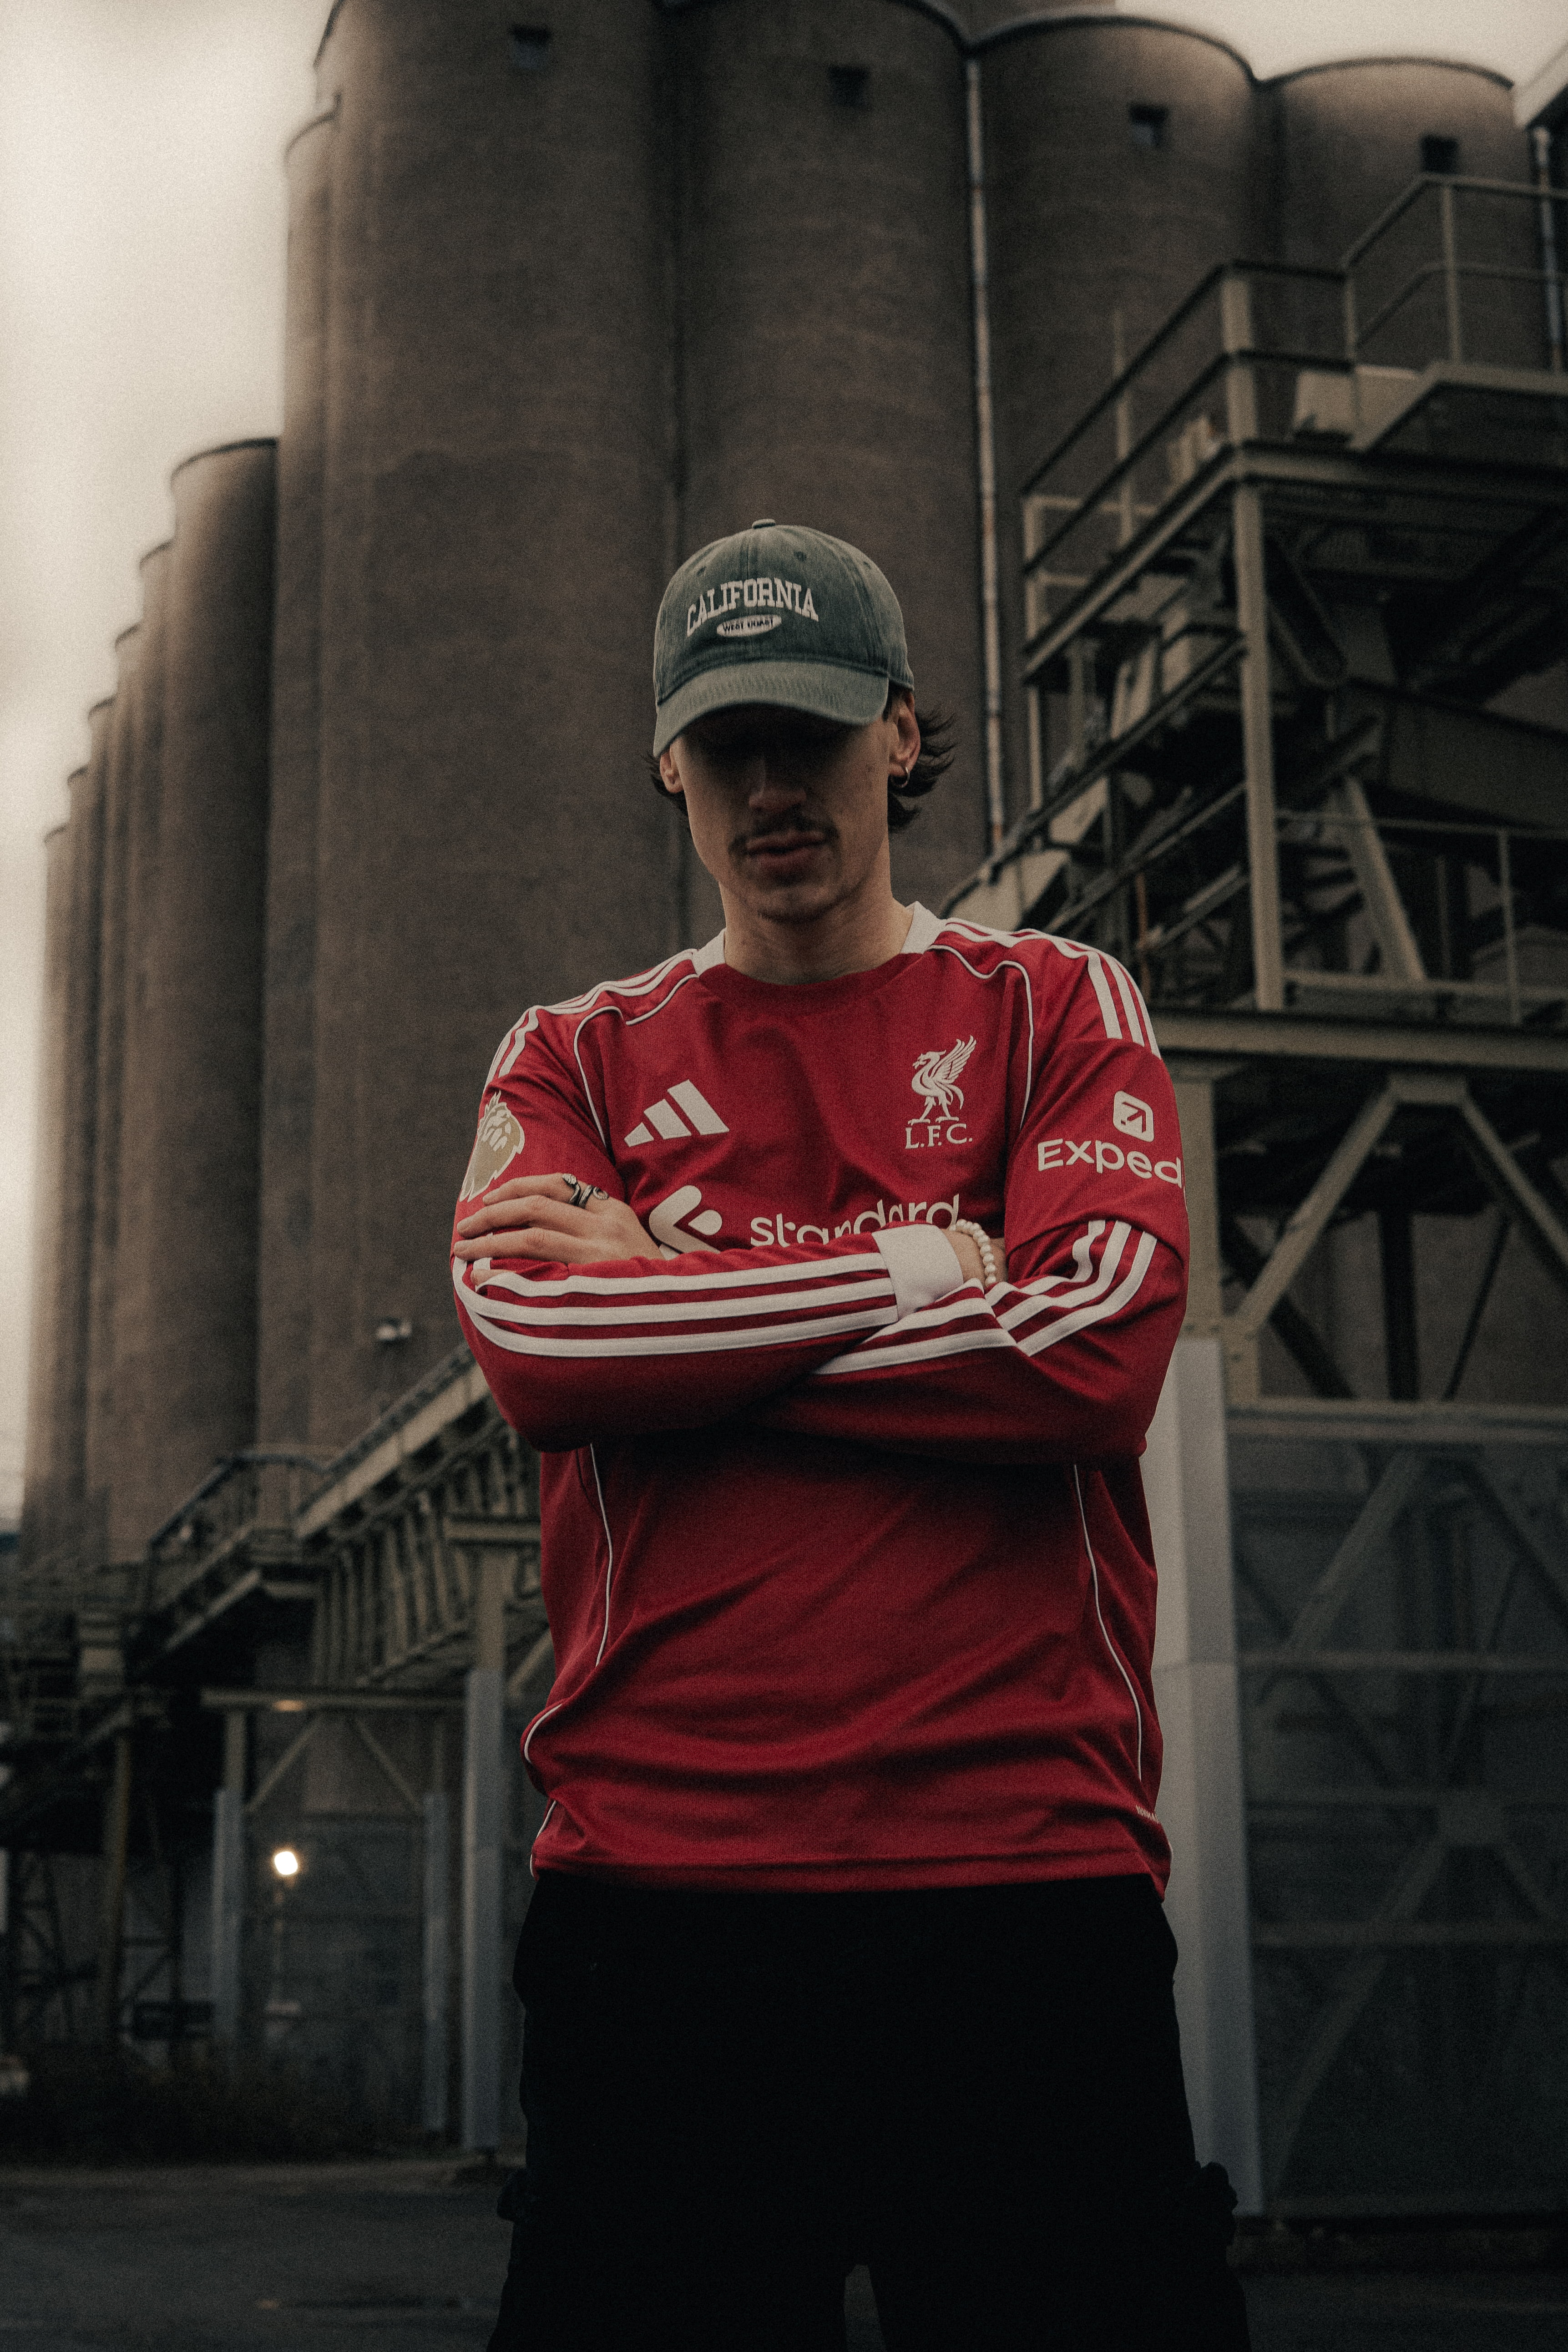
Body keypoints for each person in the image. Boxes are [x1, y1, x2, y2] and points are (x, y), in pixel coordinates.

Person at [451, 521, 1249, 2351]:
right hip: (660, 1906)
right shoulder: (570, 1055)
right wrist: (913, 1267)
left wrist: (684, 1287)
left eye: (805, 738)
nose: (763, 788)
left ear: (898, 736)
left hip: (1021, 1886)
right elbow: (539, 1338)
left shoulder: (1056, 1005)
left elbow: (1092, 1343)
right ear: (666, 759)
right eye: (721, 746)